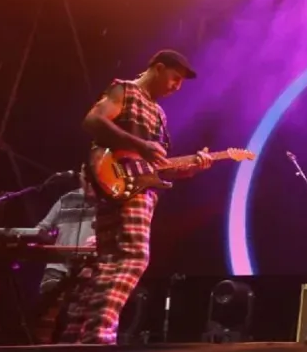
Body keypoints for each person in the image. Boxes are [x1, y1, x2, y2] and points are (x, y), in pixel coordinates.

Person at [66, 50, 211, 344]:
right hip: (118, 184)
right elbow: (93, 122)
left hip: (132, 186)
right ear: (157, 69)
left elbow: (155, 167)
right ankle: (99, 336)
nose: (176, 87)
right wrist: (139, 144)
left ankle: (76, 334)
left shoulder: (158, 114)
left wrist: (189, 168)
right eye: (174, 78)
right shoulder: (126, 90)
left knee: (106, 261)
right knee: (134, 256)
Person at [33, 172, 98, 343]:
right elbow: (42, 228)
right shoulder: (67, 199)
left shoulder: (109, 202)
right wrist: (41, 238)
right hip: (57, 266)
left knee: (72, 317)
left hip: (88, 267)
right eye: (85, 177)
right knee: (44, 312)